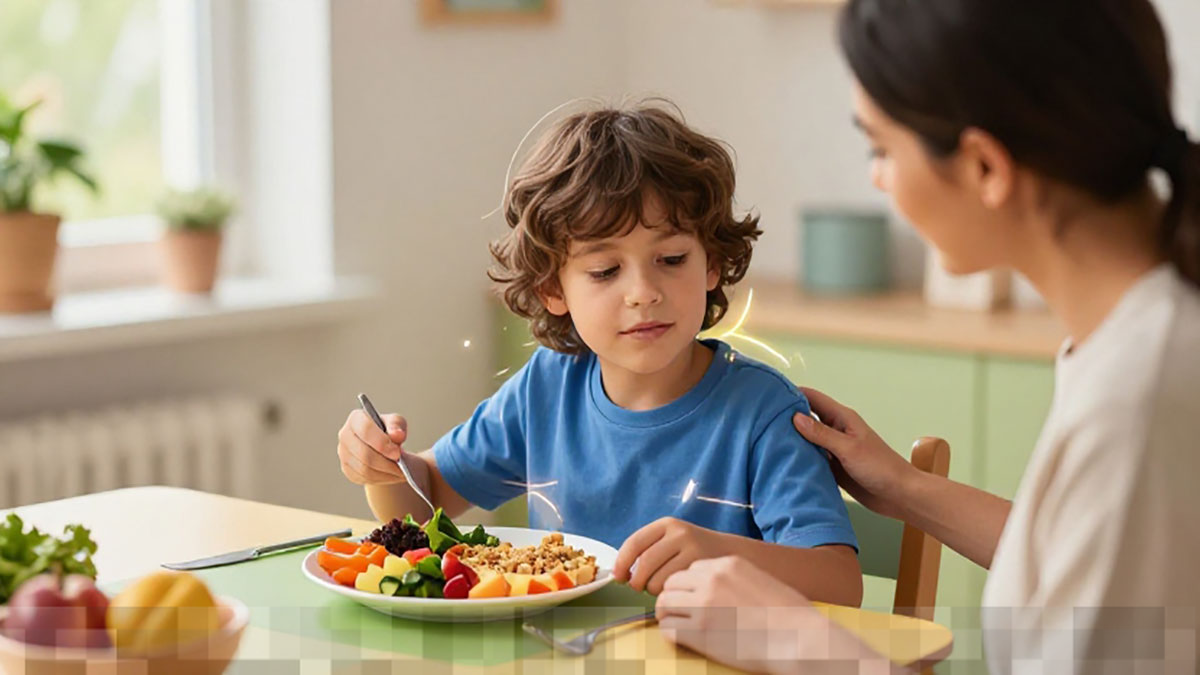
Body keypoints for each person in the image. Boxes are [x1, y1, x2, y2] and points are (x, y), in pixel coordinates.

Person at [655, 0, 1200, 672]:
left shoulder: (1142, 399)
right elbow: (1093, 560)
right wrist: (903, 488)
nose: (877, 177)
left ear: (985, 168)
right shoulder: (1141, 340)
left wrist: (797, 641)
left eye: (881, 148)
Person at [335, 101, 862, 603]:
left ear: (711, 264)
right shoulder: (548, 387)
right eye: (606, 271)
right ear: (552, 289)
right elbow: (427, 496)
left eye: (671, 259)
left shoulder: (763, 412)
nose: (643, 293)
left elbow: (840, 582)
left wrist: (721, 554)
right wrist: (384, 467)